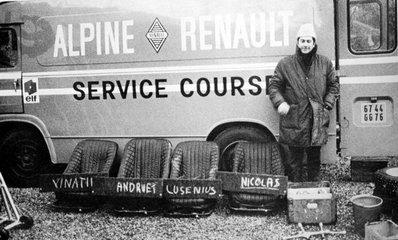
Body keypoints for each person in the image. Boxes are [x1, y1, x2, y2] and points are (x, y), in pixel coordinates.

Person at [269, 23, 339, 182]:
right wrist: (280, 103)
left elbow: (334, 85)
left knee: (314, 159)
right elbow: (274, 86)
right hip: (295, 119)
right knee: (294, 161)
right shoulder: (285, 64)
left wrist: (327, 104)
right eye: (302, 41)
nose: (305, 45)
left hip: (317, 120)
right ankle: (295, 191)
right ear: (297, 43)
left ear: (314, 43)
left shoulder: (325, 63)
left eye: (309, 41)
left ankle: (314, 189)